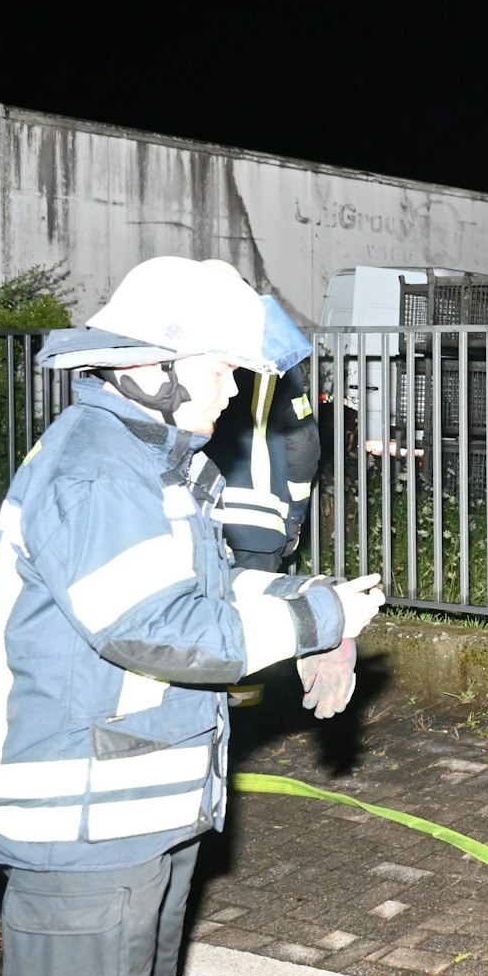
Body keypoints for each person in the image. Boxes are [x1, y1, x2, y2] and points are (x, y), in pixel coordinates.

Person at [0, 256, 385, 976]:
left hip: (128, 815)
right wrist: (317, 620)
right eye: (220, 367)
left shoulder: (149, 460)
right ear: (149, 364)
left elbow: (197, 589)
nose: (230, 391)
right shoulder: (102, 471)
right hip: (81, 826)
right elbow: (159, 630)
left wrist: (308, 596)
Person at [201, 271, 358, 717]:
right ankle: (240, 722)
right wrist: (293, 516)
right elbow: (303, 444)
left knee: (205, 609)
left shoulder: (186, 354)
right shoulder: (276, 358)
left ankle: (212, 715)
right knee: (248, 617)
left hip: (201, 513)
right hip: (258, 519)